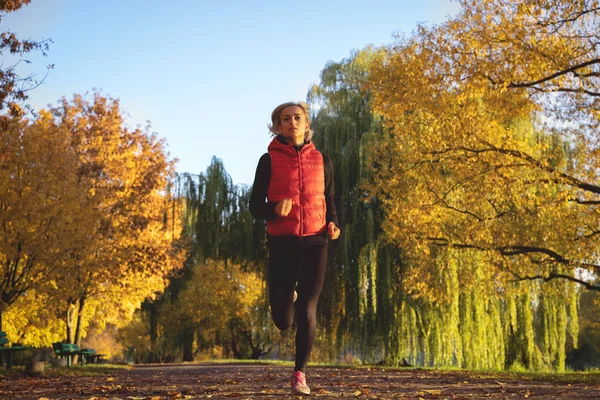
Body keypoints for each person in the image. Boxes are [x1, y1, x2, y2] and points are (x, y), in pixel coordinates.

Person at [249, 101, 340, 395]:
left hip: (316, 241)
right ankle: (286, 293)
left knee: (308, 309)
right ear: (277, 127)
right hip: (283, 242)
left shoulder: (323, 160)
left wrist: (334, 224)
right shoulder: (268, 161)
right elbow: (254, 207)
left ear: (306, 123)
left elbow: (331, 200)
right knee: (283, 320)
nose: (292, 122)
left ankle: (300, 373)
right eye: (285, 119)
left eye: (297, 118)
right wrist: (274, 209)